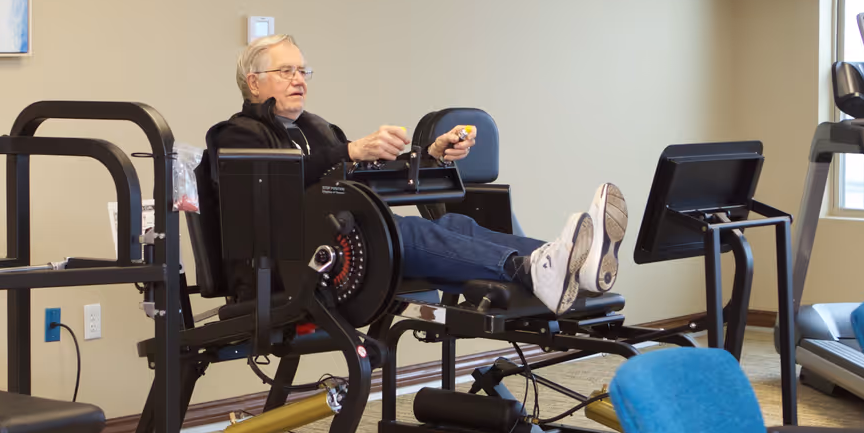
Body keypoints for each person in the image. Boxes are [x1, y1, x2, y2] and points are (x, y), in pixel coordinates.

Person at [210, 33, 628, 315]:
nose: (299, 80)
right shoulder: (234, 135)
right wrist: (350, 150)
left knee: (454, 223)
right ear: (253, 82)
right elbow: (277, 186)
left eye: (303, 71)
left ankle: (568, 263)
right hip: (291, 268)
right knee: (404, 233)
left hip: (342, 248)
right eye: (287, 72)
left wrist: (429, 156)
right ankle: (534, 268)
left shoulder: (319, 130)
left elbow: (366, 181)